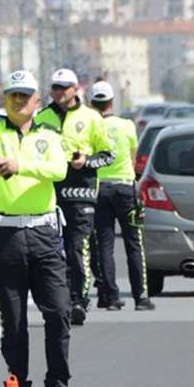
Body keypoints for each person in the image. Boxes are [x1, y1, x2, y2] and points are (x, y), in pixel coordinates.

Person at [0, 15, 76, 387]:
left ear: (37, 101)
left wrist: (21, 166)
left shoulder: (49, 137)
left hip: (44, 236)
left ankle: (58, 386)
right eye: (11, 95)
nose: (18, 101)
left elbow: (59, 171)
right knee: (13, 321)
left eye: (25, 96)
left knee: (59, 312)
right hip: (6, 237)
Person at [35, 68, 114, 326]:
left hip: (82, 195)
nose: (59, 92)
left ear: (75, 89)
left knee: (77, 248)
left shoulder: (91, 118)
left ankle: (79, 299)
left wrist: (87, 161)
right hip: (49, 195)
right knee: (53, 253)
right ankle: (60, 300)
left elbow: (109, 154)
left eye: (64, 87)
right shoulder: (42, 117)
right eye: (55, 87)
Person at [91, 81, 154, 311]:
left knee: (104, 245)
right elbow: (133, 155)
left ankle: (111, 297)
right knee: (133, 243)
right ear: (111, 102)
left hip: (99, 190)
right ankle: (141, 297)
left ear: (92, 103)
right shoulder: (126, 126)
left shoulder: (90, 127)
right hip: (125, 188)